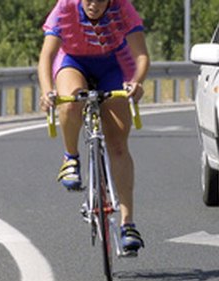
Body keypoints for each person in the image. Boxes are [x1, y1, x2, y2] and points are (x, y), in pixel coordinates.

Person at [38, 0, 150, 254]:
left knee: (118, 144)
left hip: (114, 64)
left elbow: (141, 55)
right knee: (69, 104)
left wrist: (136, 82)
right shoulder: (65, 7)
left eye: (100, 0)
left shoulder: (122, 8)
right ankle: (71, 158)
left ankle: (128, 223)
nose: (94, 5)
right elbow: (47, 56)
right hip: (73, 62)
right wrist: (47, 91)